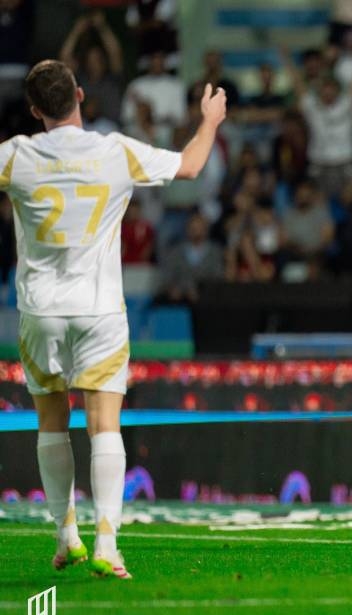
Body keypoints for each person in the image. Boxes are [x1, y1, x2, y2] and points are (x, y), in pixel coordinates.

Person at [2, 60, 226, 579]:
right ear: (81, 95)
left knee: (51, 423)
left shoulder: (15, 156)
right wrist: (210, 119)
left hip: (41, 311)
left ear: (35, 110)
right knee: (105, 426)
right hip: (99, 309)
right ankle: (106, 542)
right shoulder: (115, 151)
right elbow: (191, 166)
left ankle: (66, 535)